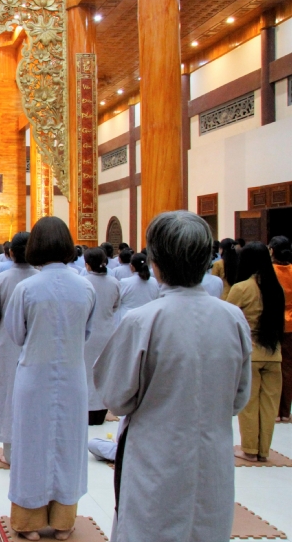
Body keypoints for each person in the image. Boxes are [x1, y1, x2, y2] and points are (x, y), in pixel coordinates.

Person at [94, 211, 251, 542]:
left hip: (155, 456)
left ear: (155, 262)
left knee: (150, 527)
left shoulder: (143, 320)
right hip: (212, 455)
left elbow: (116, 396)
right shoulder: (232, 318)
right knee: (205, 525)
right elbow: (238, 397)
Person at [3, 217, 95, 540]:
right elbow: (86, 331)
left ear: (36, 246)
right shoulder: (85, 287)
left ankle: (28, 523)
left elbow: (16, 333)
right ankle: (63, 522)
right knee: (68, 446)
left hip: (33, 377)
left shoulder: (27, 288)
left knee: (31, 446)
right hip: (73, 377)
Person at [0, 231, 37, 465]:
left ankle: (11, 452)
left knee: (7, 393)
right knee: (34, 394)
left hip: (7, 344)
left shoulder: (1, 280)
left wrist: (1, 330)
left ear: (10, 252)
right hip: (35, 344)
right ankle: (34, 449)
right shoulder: (39, 278)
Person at [227, 242, 285, 462]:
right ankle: (263, 450)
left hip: (251, 353)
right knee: (269, 405)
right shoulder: (276, 288)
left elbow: (228, 319)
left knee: (249, 404)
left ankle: (249, 449)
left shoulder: (241, 288)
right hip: (274, 354)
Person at [82, 247, 121, 425]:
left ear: (88, 265)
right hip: (107, 332)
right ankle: (102, 409)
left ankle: (87, 410)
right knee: (104, 372)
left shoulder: (83, 282)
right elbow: (115, 306)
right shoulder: (114, 282)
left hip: (87, 333)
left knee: (87, 372)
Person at [269, 236, 292, 422]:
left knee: (274, 367)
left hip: (275, 322)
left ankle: (276, 411)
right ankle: (286, 411)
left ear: (272, 251)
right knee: (288, 368)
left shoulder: (270, 271)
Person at [116, 253, 159, 320]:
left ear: (132, 267)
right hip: (148, 318)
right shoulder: (155, 282)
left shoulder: (124, 282)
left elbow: (117, 301)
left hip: (127, 318)